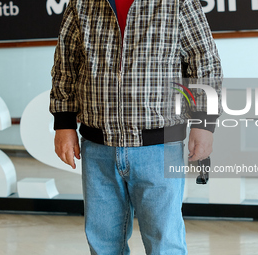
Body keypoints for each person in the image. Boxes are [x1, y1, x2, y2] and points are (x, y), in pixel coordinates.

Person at [50, 0, 222, 254]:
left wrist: (204, 124)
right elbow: (66, 64)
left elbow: (204, 64)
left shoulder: (178, 3)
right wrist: (63, 124)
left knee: (164, 242)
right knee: (103, 242)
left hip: (160, 146)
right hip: (98, 148)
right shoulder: (81, 4)